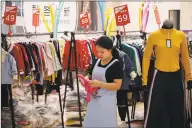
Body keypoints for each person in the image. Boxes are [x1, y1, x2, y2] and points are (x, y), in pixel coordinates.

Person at [142, 19, 192, 128]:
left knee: (176, 107)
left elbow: (185, 57)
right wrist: (144, 80)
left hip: (176, 75)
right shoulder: (154, 35)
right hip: (159, 75)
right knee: (155, 107)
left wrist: (189, 77)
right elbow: (146, 58)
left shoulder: (180, 35)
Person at [83, 36, 123, 127]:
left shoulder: (116, 65)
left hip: (107, 102)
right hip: (93, 101)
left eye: (102, 52)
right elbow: (89, 75)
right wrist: (86, 80)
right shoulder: (96, 62)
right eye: (97, 52)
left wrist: (100, 84)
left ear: (110, 50)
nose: (99, 54)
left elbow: (117, 85)